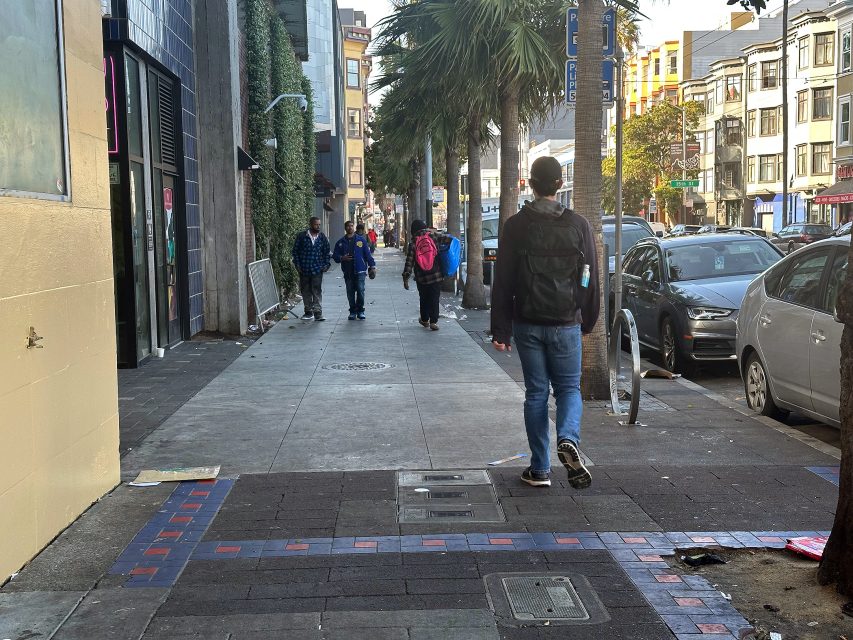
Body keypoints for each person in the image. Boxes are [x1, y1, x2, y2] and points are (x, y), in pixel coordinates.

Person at [490, 156, 600, 489]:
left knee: (536, 393)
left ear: (530, 183)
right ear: (560, 184)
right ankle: (568, 438)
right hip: (566, 321)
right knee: (568, 388)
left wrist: (501, 329)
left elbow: (503, 280)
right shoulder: (579, 225)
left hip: (527, 322)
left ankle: (540, 469)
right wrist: (587, 316)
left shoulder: (515, 225)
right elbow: (588, 277)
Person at [402, 219, 449, 331]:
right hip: (436, 275)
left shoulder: (413, 243)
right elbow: (448, 239)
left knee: (424, 298)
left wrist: (405, 278)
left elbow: (409, 262)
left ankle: (424, 319)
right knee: (434, 298)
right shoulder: (433, 236)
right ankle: (434, 321)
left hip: (422, 277)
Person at [334, 220, 376, 320]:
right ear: (345, 228)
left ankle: (360, 310)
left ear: (354, 227)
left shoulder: (361, 240)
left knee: (361, 291)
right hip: (348, 271)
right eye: (348, 226)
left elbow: (367, 255)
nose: (350, 228)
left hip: (360, 270)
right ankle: (352, 311)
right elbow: (335, 256)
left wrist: (372, 266)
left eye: (351, 226)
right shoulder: (340, 242)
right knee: (350, 292)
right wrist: (342, 258)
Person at [291, 216, 331, 321]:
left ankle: (318, 313)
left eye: (319, 225)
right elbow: (295, 252)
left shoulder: (322, 237)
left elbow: (327, 252)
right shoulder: (302, 236)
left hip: (317, 269)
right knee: (305, 291)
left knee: (316, 291)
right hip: (304, 268)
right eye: (316, 224)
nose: (318, 226)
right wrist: (297, 265)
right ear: (311, 224)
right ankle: (308, 312)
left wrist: (326, 265)